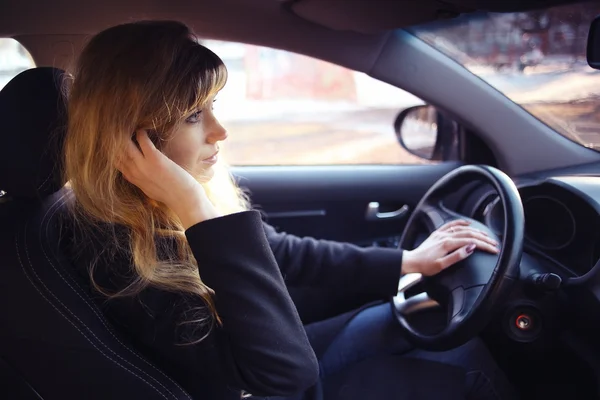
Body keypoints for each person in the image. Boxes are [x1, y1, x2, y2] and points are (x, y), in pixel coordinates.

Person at [62, 20, 516, 400]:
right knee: (469, 370)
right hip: (275, 385)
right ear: (131, 136)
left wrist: (409, 262)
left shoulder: (154, 210)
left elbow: (284, 254)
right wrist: (195, 207)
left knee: (408, 317)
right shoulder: (122, 258)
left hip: (284, 362)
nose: (219, 131)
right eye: (193, 116)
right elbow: (286, 374)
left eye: (212, 107)